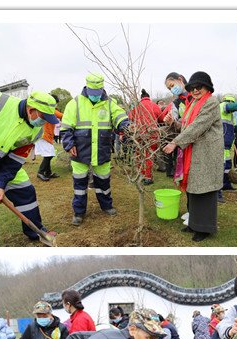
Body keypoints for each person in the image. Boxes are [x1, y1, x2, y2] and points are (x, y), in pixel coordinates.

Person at [0, 90, 59, 246]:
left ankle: (35, 231)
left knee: (26, 191)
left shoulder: (36, 131)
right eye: (43, 118)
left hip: (3, 164)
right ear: (31, 110)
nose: (43, 123)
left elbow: (15, 160)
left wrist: (0, 184)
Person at [162, 71, 224, 243]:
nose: (195, 90)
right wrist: (173, 124)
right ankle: (194, 224)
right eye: (193, 88)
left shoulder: (210, 103)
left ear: (207, 88)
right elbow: (186, 124)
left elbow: (198, 126)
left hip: (206, 154)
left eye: (199, 87)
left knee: (204, 190)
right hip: (194, 152)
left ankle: (204, 228)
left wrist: (175, 142)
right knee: (193, 190)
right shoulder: (194, 104)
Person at [61, 73, 130, 226]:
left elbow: (119, 115)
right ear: (87, 88)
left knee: (104, 182)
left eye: (98, 92)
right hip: (79, 151)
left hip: (102, 150)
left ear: (102, 89)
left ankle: (106, 206)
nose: (95, 96)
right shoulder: (75, 103)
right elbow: (65, 127)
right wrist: (68, 144)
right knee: (79, 185)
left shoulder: (109, 102)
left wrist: (125, 125)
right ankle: (79, 211)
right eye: (92, 93)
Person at [161, 72, 193, 178]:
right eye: (169, 89)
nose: (172, 90)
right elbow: (175, 123)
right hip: (184, 139)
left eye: (172, 85)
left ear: (180, 80)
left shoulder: (195, 96)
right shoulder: (176, 103)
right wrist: (170, 122)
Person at [127, 89, 163, 186]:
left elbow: (129, 118)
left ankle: (141, 174)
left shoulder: (137, 107)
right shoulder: (154, 106)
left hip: (139, 133)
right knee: (149, 155)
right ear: (149, 97)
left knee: (140, 154)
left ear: (141, 98)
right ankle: (148, 177)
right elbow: (161, 118)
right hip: (152, 133)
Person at [36, 94, 64, 181]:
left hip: (46, 135)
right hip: (44, 135)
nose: (56, 105)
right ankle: (40, 172)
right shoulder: (50, 109)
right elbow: (63, 116)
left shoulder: (48, 109)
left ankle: (48, 172)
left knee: (49, 154)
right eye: (56, 103)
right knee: (49, 155)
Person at [219, 94, 237, 197]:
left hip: (227, 145)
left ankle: (226, 185)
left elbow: (233, 128)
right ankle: (217, 191)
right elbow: (230, 107)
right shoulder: (222, 106)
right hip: (220, 143)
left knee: (227, 166)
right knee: (220, 167)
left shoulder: (230, 115)